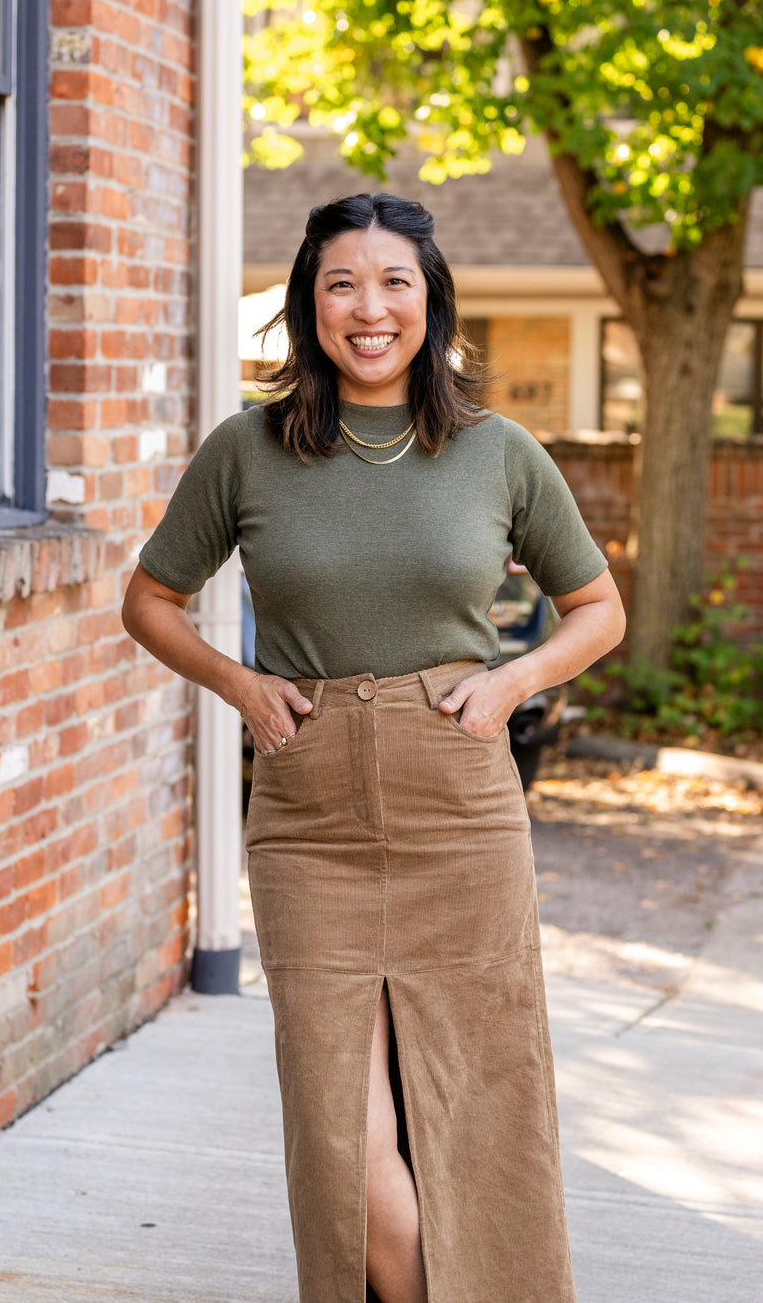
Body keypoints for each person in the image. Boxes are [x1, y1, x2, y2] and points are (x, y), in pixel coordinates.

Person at [121, 193, 624, 1303]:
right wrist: (240, 683)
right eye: (341, 283)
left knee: (483, 1107)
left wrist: (512, 681)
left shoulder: (497, 453)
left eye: (394, 282)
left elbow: (598, 610)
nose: (369, 307)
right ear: (310, 304)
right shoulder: (247, 451)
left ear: (430, 301)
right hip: (309, 818)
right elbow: (150, 600)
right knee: (342, 1139)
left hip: (460, 805)